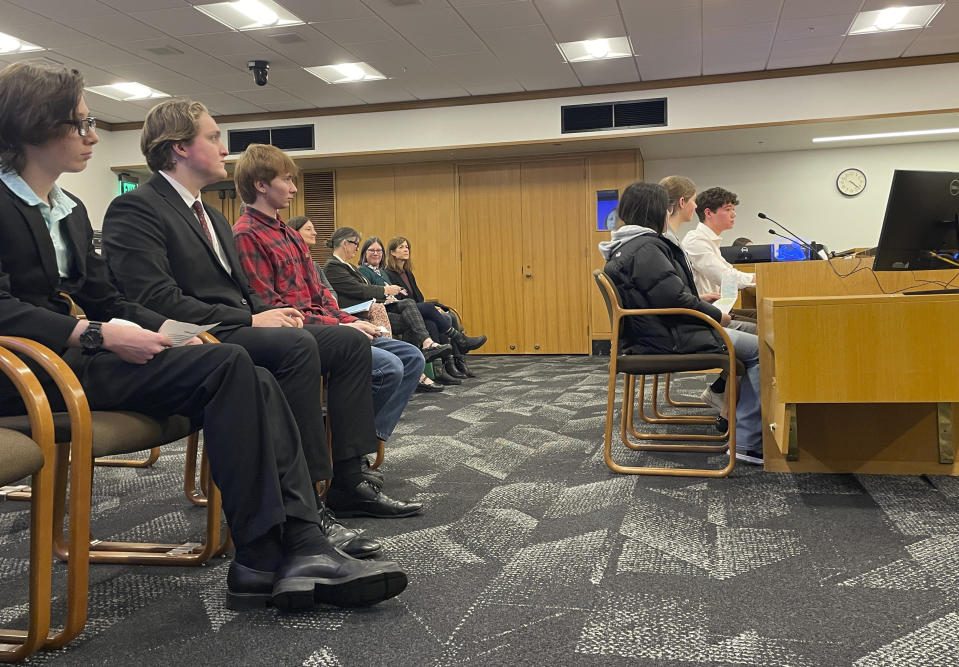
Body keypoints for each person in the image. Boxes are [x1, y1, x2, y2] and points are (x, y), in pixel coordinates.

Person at [0, 62, 406, 612]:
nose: (93, 134)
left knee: (249, 373)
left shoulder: (68, 211)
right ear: (33, 125)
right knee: (234, 364)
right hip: (27, 373)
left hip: (76, 358)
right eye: (80, 123)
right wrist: (92, 332)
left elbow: (111, 300)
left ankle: (288, 546)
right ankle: (276, 552)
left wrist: (173, 332)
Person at [102, 98, 422, 528]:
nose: (223, 149)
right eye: (213, 138)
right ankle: (304, 503)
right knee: (296, 345)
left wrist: (267, 313)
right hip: (194, 335)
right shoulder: (138, 206)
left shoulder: (212, 216)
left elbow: (242, 293)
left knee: (346, 343)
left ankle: (346, 481)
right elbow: (154, 298)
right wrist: (252, 320)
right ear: (179, 147)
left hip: (235, 327)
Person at [230, 143, 428, 449]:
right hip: (299, 337)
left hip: (324, 327)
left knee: (412, 358)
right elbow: (273, 310)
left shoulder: (290, 234)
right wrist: (340, 327)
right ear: (260, 185)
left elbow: (321, 295)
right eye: (287, 180)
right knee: (390, 368)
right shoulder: (247, 235)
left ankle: (353, 445)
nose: (294, 188)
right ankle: (346, 451)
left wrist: (349, 320)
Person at [600, 181, 763, 465]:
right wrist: (715, 315)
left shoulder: (632, 245)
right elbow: (675, 300)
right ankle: (748, 442)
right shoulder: (646, 247)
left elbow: (667, 295)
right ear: (656, 210)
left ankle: (736, 417)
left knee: (759, 333)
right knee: (764, 347)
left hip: (661, 331)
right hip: (669, 337)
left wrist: (702, 301)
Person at [323, 228, 467, 385]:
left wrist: (388, 295)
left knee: (411, 309)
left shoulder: (348, 266)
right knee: (416, 318)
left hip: (372, 309)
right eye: (356, 244)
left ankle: (425, 350)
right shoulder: (333, 266)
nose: (357, 248)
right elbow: (358, 290)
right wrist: (386, 290)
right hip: (359, 315)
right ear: (345, 244)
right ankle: (419, 368)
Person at [383, 236, 487, 379]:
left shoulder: (408, 273)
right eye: (401, 247)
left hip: (415, 308)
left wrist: (433, 308)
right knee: (437, 318)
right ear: (392, 253)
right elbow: (401, 301)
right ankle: (459, 345)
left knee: (447, 316)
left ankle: (455, 363)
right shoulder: (388, 273)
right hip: (403, 311)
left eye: (407, 247)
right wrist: (429, 309)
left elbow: (419, 298)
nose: (406, 249)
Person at [680, 186, 756, 298]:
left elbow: (728, 270)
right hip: (701, 311)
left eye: (733, 210)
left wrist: (755, 277)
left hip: (711, 307)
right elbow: (724, 277)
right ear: (708, 213)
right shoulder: (695, 240)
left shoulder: (709, 240)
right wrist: (757, 278)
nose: (733, 215)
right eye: (728, 209)